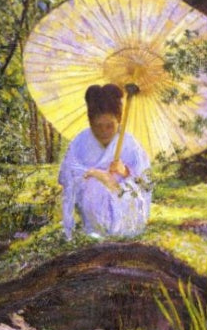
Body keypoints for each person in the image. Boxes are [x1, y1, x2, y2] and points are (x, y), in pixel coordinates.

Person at [58, 83, 152, 240]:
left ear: (119, 120)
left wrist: (125, 172)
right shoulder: (80, 142)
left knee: (126, 191)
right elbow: (68, 175)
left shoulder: (129, 143)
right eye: (98, 126)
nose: (104, 131)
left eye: (110, 126)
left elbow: (145, 181)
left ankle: (121, 230)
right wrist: (96, 174)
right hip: (92, 204)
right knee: (93, 186)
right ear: (90, 122)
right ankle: (97, 229)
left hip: (124, 205)